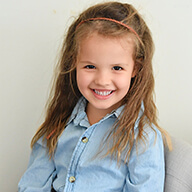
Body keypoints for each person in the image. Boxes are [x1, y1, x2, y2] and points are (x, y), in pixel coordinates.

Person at [18, 1, 171, 192]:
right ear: (74, 62)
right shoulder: (59, 125)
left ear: (136, 68)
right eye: (90, 66)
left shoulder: (143, 138)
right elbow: (32, 184)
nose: (102, 80)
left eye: (117, 68)